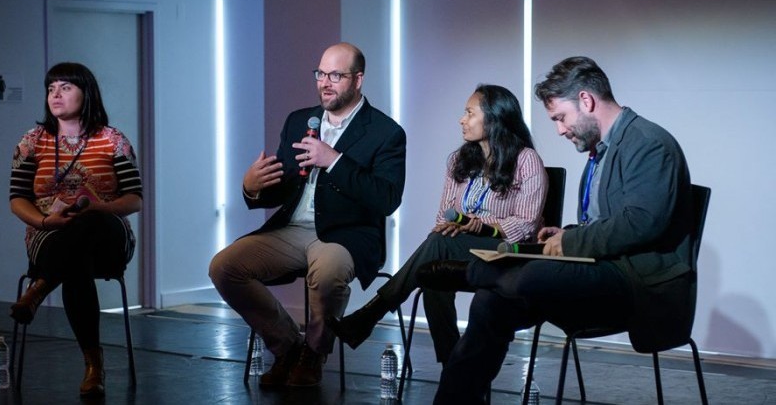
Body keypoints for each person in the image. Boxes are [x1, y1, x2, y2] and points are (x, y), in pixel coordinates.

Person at [432, 56, 693, 404]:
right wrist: (564, 233)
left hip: (637, 283)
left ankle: (479, 271)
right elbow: (605, 222)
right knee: (490, 303)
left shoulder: (648, 144)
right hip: (604, 269)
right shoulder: (603, 150)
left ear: (586, 100)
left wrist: (572, 240)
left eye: (560, 117)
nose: (559, 129)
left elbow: (641, 223)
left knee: (530, 276)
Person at [208, 42, 406, 388]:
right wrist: (252, 187)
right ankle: (288, 346)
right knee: (224, 267)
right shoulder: (299, 121)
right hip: (292, 229)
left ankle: (314, 353)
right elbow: (284, 186)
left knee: (327, 273)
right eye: (320, 74)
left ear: (358, 79)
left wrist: (335, 161)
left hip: (345, 234)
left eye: (335, 75)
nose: (324, 83)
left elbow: (386, 199)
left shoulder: (385, 132)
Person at [327, 84, 547, 366]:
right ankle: (453, 363)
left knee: (437, 253)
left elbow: (527, 224)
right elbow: (444, 216)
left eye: (470, 113)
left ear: (494, 118)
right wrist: (451, 226)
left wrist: (482, 226)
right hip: (461, 250)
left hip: (506, 253)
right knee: (432, 272)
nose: (462, 120)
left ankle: (371, 314)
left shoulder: (526, 160)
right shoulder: (459, 160)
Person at [9, 62, 142, 398]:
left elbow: (134, 200)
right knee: (75, 262)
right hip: (48, 235)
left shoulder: (113, 140)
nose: (56, 95)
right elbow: (17, 199)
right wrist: (44, 222)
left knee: (88, 221)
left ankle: (40, 288)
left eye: (65, 87)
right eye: (51, 88)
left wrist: (97, 208)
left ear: (87, 93)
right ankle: (93, 364)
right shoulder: (32, 142)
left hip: (108, 237)